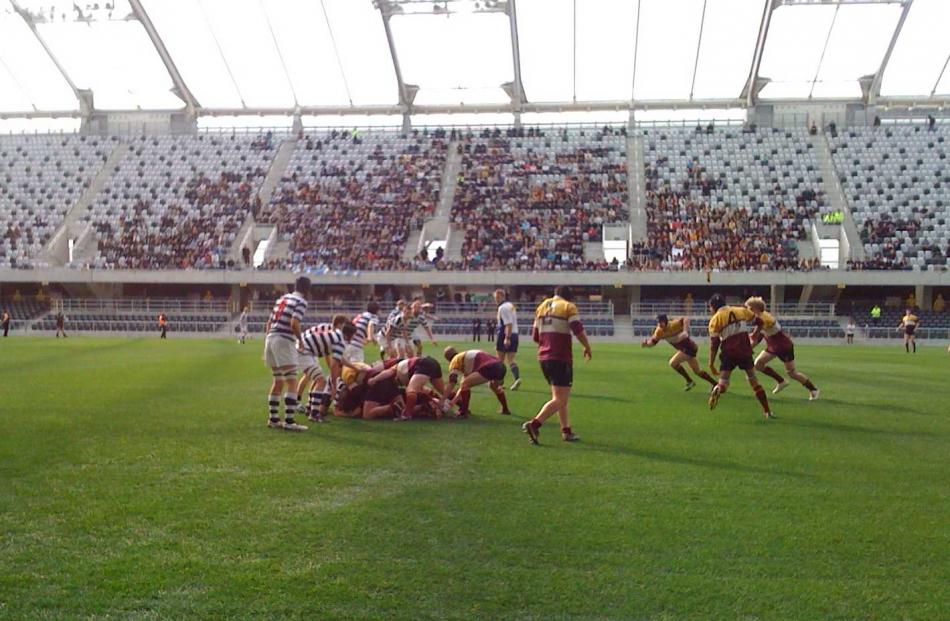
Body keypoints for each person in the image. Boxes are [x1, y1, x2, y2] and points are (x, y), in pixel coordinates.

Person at [521, 286, 592, 445]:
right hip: (560, 356)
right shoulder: (568, 306)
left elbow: (535, 336)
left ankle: (566, 431)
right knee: (561, 398)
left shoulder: (541, 307)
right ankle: (534, 424)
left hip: (544, 357)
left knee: (559, 397)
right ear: (568, 297)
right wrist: (587, 346)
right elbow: (578, 330)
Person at [706, 294, 774, 419]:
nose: (710, 310)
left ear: (714, 307)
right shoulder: (741, 310)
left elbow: (714, 344)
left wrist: (711, 362)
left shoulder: (715, 319)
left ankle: (718, 388)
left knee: (724, 383)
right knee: (753, 381)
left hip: (728, 352)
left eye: (710, 307)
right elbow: (760, 322)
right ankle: (767, 411)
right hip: (744, 350)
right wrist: (754, 334)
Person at [745, 297, 820, 401]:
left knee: (792, 373)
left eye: (750, 308)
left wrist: (746, 344)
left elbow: (755, 337)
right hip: (773, 346)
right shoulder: (761, 317)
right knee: (758, 364)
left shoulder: (763, 318)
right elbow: (757, 337)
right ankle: (781, 381)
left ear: (756, 308)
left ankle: (813, 389)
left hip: (783, 346)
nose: (748, 310)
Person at [262, 276, 310, 431]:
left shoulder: (281, 299)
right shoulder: (301, 302)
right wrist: (300, 340)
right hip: (283, 339)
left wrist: (268, 344)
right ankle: (289, 422)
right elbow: (294, 323)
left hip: (271, 338)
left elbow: (268, 323)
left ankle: (273, 419)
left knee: (278, 381)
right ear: (307, 289)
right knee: (292, 381)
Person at [296, 321, 357, 422]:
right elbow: (334, 365)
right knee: (322, 381)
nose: (354, 337)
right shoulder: (340, 342)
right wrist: (333, 385)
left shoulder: (337, 334)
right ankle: (314, 414)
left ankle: (310, 409)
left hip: (304, 349)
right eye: (354, 335)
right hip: (305, 352)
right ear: (349, 334)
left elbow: (340, 358)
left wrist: (355, 368)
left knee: (318, 379)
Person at [641, 314, 717, 391]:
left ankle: (689, 381)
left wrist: (685, 331)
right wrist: (646, 344)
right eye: (658, 322)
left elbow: (686, 319)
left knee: (673, 363)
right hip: (686, 350)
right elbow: (653, 342)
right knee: (697, 371)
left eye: (661, 322)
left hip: (690, 348)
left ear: (666, 321)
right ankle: (715, 384)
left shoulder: (673, 324)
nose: (659, 324)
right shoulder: (659, 331)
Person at [368, 356, 448, 421]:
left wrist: (374, 379)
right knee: (444, 391)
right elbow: (423, 390)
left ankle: (406, 415)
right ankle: (458, 404)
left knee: (410, 390)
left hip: (423, 363)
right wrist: (433, 400)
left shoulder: (395, 368)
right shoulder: (407, 372)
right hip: (432, 362)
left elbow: (388, 372)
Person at [443, 346, 512, 418]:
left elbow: (452, 383)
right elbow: (462, 385)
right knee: (493, 386)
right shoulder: (466, 357)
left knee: (465, 384)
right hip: (500, 366)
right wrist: (453, 401)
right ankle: (505, 409)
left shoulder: (455, 360)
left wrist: (442, 400)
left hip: (490, 367)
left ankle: (463, 412)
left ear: (448, 359)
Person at [494, 289, 522, 391]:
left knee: (500, 360)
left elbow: (508, 324)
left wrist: (507, 338)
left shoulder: (502, 308)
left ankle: (499, 383)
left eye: (497, 298)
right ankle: (517, 378)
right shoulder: (511, 306)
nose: (496, 300)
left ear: (501, 296)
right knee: (511, 360)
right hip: (515, 334)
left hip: (505, 334)